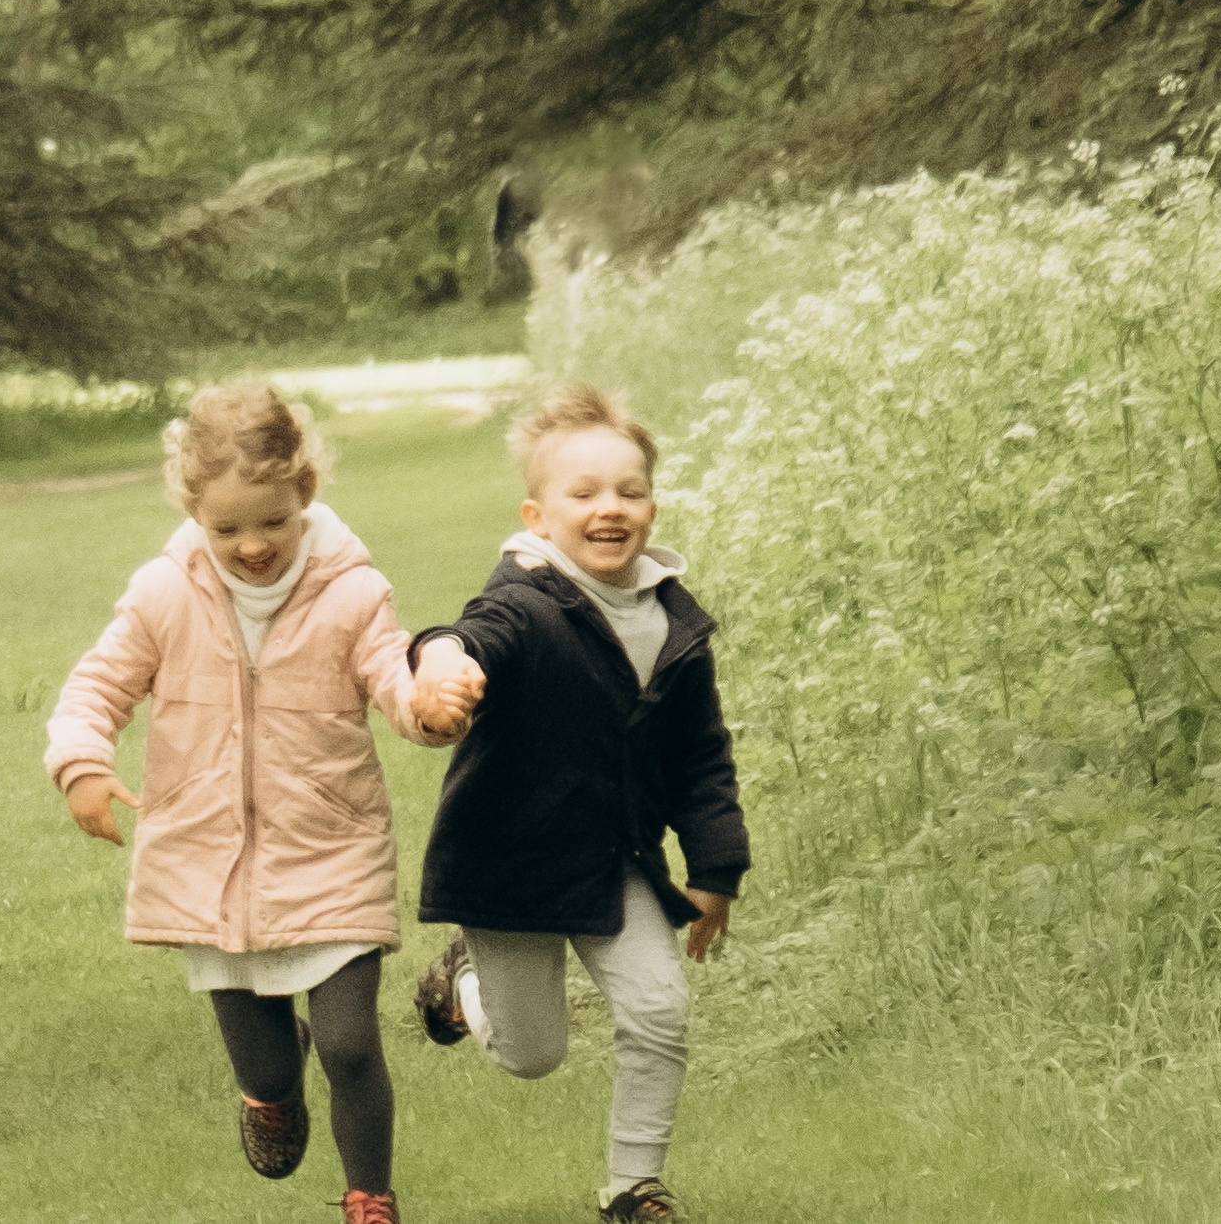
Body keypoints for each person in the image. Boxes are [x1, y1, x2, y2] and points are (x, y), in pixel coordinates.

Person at [46, 384, 461, 1224]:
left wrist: (428, 707)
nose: (252, 546)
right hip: (207, 866)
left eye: (271, 522)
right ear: (192, 508)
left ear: (304, 493)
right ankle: (272, 1089)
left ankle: (370, 1198)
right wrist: (83, 763)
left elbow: (392, 674)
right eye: (226, 527)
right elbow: (97, 686)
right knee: (272, 1067)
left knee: (349, 1043)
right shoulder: (164, 595)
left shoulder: (352, 592)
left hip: (330, 847)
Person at [406, 383, 750, 1224]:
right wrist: (440, 664)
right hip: (510, 866)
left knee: (660, 1008)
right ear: (538, 515)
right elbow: (464, 633)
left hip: (614, 859)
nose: (611, 508)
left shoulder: (674, 623)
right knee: (532, 1056)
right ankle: (467, 987)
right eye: (584, 493)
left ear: (653, 507)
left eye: (630, 492)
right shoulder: (526, 603)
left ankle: (634, 1187)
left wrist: (715, 865)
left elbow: (701, 755)